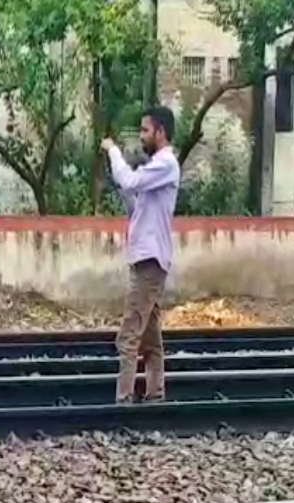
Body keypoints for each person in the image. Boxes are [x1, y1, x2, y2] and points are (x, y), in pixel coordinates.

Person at [101, 106, 180, 404]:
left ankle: (123, 400)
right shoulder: (156, 170)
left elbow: (131, 181)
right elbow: (137, 207)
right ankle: (155, 395)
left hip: (149, 260)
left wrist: (113, 152)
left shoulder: (166, 164)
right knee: (149, 336)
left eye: (146, 130)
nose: (142, 136)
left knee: (129, 334)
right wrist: (122, 183)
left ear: (161, 132)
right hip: (146, 257)